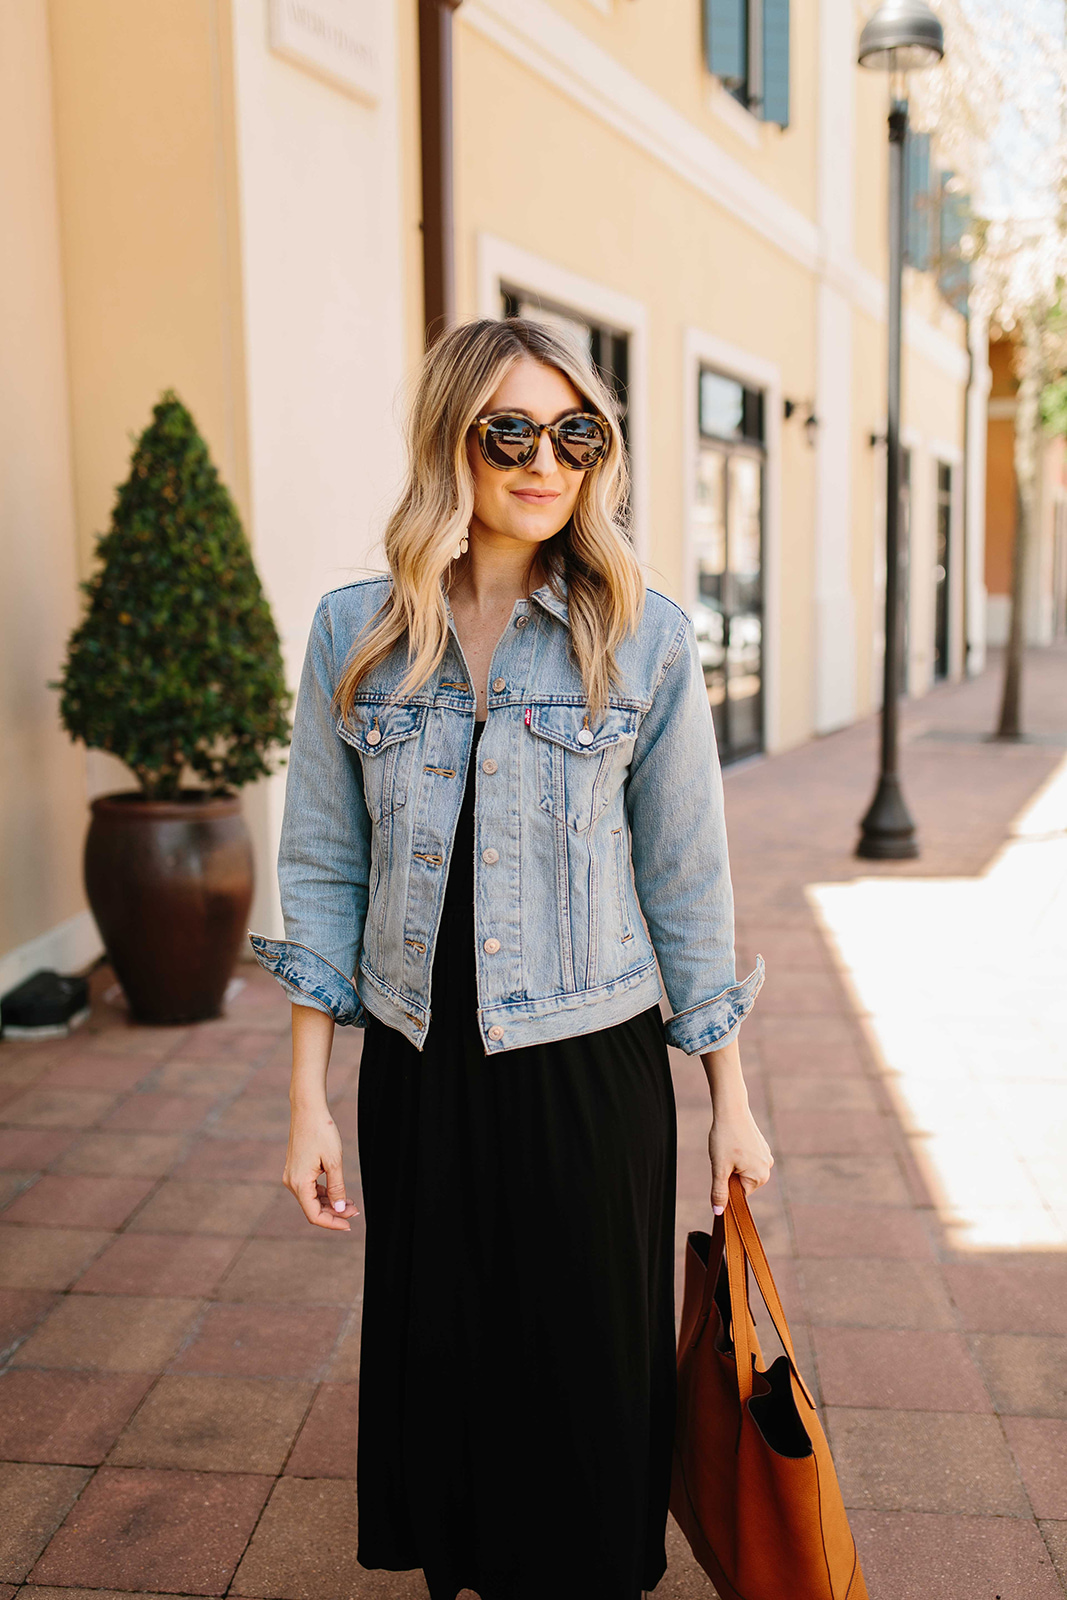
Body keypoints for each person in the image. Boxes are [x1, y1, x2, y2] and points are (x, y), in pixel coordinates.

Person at [249, 316, 773, 1600]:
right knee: (452, 1369)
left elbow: (686, 877)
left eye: (576, 433)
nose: (548, 462)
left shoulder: (639, 631)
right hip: (423, 1069)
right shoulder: (354, 633)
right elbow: (322, 868)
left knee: (584, 1376)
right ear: (452, 444)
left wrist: (730, 1104)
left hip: (587, 1065)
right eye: (513, 433)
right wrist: (306, 1099)